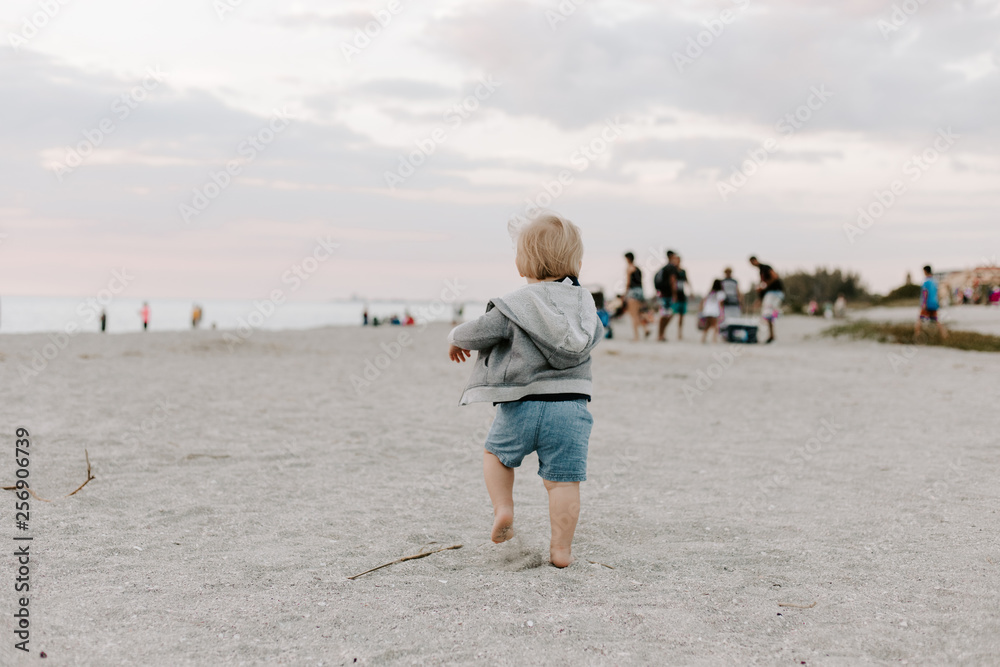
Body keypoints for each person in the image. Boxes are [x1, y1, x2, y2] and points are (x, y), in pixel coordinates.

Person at [447, 213, 602, 568]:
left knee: (496, 457)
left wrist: (454, 338)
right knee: (563, 483)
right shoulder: (586, 305)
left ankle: (504, 508)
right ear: (577, 263)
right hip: (571, 408)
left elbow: (479, 331)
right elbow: (595, 336)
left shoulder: (516, 304)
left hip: (521, 405)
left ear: (521, 264)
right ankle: (561, 550)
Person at [749, 257, 784, 343]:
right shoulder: (761, 271)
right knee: (768, 315)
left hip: (775, 292)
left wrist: (764, 286)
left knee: (768, 314)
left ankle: (775, 321)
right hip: (772, 294)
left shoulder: (765, 267)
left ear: (755, 260)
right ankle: (771, 335)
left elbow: (775, 276)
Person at [916, 265, 948, 340]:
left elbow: (925, 293)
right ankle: (945, 336)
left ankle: (917, 337)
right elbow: (937, 293)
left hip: (927, 304)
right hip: (934, 304)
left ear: (925, 271)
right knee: (937, 321)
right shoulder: (934, 281)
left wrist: (924, 304)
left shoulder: (926, 282)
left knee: (919, 320)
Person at [623, 252, 648, 341]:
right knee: (638, 313)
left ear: (627, 259)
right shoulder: (638, 269)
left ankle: (636, 336)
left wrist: (625, 294)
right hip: (640, 291)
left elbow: (628, 283)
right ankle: (646, 329)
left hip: (633, 292)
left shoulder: (629, 268)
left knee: (633, 315)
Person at [654, 250, 678, 341]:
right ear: (672, 256)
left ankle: (661, 334)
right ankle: (660, 335)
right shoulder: (671, 267)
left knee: (665, 314)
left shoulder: (664, 268)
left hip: (662, 294)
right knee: (667, 314)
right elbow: (673, 281)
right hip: (668, 295)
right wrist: (674, 294)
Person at [699, 279, 726, 343]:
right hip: (714, 311)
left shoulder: (710, 292)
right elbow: (721, 303)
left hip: (707, 310)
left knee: (707, 325)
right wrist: (722, 312)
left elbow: (704, 300)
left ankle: (703, 338)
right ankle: (714, 339)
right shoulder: (720, 293)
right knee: (715, 326)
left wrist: (701, 309)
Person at [671, 254, 689, 340]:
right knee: (671, 314)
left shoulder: (683, 271)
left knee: (682, 316)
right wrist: (674, 295)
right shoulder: (672, 271)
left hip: (682, 294)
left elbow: (687, 281)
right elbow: (672, 283)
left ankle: (679, 333)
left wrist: (691, 291)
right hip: (675, 295)